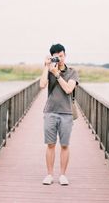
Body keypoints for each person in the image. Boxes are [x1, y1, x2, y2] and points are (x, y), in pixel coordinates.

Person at [39, 43, 79, 185]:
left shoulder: (72, 72)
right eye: (56, 57)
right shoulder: (49, 70)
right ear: (52, 57)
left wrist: (57, 75)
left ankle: (62, 175)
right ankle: (49, 175)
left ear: (65, 55)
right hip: (50, 111)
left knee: (64, 145)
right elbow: (42, 85)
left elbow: (69, 89)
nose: (59, 59)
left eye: (61, 56)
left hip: (66, 113)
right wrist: (46, 67)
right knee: (50, 144)